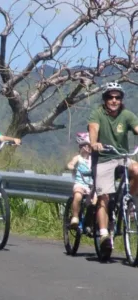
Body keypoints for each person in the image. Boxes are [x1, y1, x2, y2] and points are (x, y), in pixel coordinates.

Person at [88, 81, 138, 256]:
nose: (114, 100)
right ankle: (103, 235)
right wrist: (94, 143)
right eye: (110, 97)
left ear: (121, 99)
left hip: (122, 157)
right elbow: (93, 128)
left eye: (117, 97)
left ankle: (128, 201)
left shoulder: (127, 114)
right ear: (105, 98)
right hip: (104, 159)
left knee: (137, 171)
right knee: (104, 197)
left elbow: (137, 127)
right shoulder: (97, 113)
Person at [67, 132, 97, 230]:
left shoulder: (94, 160)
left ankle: (90, 222)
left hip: (91, 186)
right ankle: (75, 217)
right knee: (78, 196)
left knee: (95, 202)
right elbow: (71, 163)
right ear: (82, 147)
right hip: (80, 183)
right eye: (87, 146)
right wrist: (71, 166)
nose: (89, 148)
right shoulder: (78, 158)